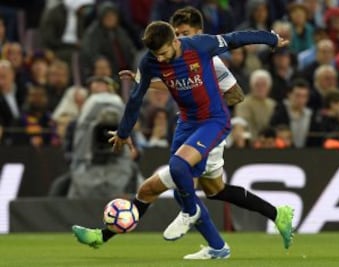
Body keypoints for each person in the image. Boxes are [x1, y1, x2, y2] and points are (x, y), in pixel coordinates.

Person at [73, 8, 292, 259]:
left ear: (180, 40)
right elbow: (135, 99)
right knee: (207, 189)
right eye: (158, 54)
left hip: (213, 122)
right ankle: (252, 228)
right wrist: (123, 132)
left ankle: (188, 215)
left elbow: (236, 41)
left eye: (167, 51)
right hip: (187, 124)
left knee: (178, 175)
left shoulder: (204, 49)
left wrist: (270, 39)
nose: (163, 59)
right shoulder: (151, 61)